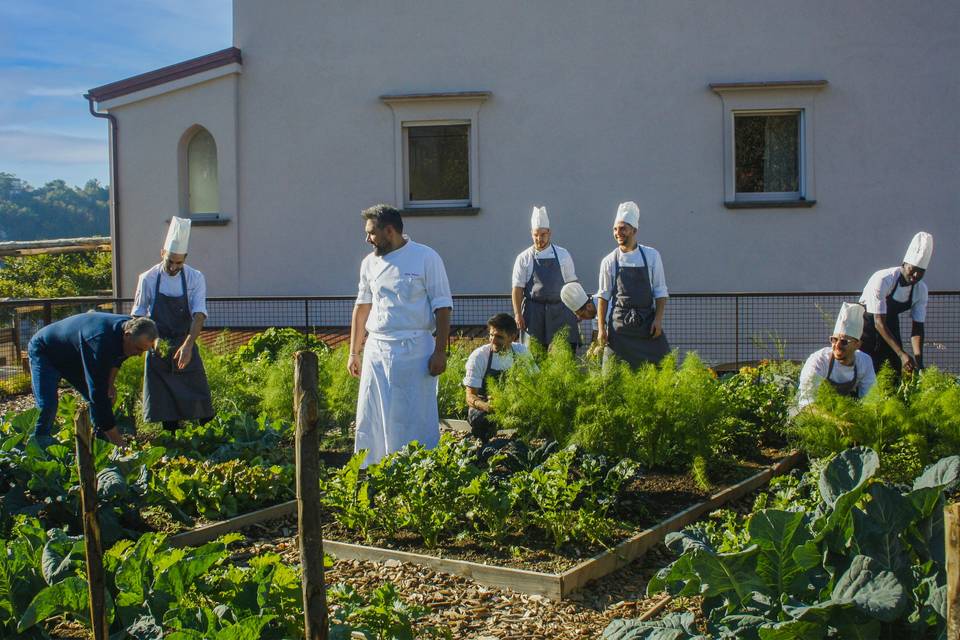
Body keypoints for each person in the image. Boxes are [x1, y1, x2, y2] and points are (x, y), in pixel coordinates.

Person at [348, 204, 453, 466]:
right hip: (377, 348)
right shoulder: (369, 264)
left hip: (415, 349)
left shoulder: (426, 257)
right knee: (372, 411)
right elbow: (362, 308)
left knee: (412, 414)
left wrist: (440, 351)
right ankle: (373, 467)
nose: (367, 238)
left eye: (371, 232)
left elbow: (443, 306)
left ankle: (417, 469)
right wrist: (354, 351)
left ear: (390, 230)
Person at [131, 216, 214, 430]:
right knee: (167, 412)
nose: (174, 267)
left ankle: (207, 443)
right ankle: (173, 447)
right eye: (170, 261)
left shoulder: (195, 278)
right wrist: (152, 341)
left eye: (179, 262)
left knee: (200, 403)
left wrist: (188, 345)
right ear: (162, 254)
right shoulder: (147, 278)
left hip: (184, 342)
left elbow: (198, 315)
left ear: (185, 258)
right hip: (156, 346)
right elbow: (139, 316)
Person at [27, 313, 157, 447]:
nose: (139, 354)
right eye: (139, 349)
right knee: (47, 405)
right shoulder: (100, 340)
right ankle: (38, 448)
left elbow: (119, 358)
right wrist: (119, 442)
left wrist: (110, 384)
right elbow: (97, 392)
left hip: (73, 353)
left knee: (106, 397)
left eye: (144, 350)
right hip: (46, 351)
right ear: (127, 335)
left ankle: (99, 442)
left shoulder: (133, 329)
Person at [596, 201, 670, 368]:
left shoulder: (652, 256)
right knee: (612, 375)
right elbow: (603, 296)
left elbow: (660, 291)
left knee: (664, 366)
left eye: (623, 228)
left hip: (647, 324)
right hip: (619, 327)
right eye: (615, 229)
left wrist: (658, 320)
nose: (618, 233)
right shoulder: (608, 261)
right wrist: (601, 329)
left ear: (634, 230)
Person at [858, 232, 933, 375]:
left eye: (921, 271)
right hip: (866, 323)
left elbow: (917, 328)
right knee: (864, 365)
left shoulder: (920, 289)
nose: (916, 275)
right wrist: (901, 353)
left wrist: (919, 361)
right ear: (904, 264)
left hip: (890, 323)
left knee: (894, 370)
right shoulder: (883, 279)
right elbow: (878, 322)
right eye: (913, 269)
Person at [511, 206, 581, 351]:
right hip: (533, 312)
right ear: (531, 233)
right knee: (533, 357)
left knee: (563, 353)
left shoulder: (563, 255)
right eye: (536, 235)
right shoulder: (524, 258)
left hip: (561, 310)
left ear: (549, 233)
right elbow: (517, 288)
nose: (539, 239)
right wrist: (518, 314)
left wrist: (578, 308)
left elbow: (572, 284)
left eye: (543, 234)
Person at [463, 313, 533, 442]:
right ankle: (484, 443)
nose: (493, 340)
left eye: (499, 337)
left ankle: (523, 443)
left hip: (515, 404)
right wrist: (487, 406)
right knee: (480, 418)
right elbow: (470, 397)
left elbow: (535, 384)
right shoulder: (479, 356)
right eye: (491, 335)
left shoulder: (521, 352)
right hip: (487, 407)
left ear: (512, 337)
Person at [797, 302, 876, 408]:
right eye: (834, 339)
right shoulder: (819, 360)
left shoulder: (864, 362)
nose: (837, 345)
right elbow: (807, 404)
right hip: (811, 414)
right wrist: (837, 422)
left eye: (844, 341)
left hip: (843, 412)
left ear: (857, 344)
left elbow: (870, 399)